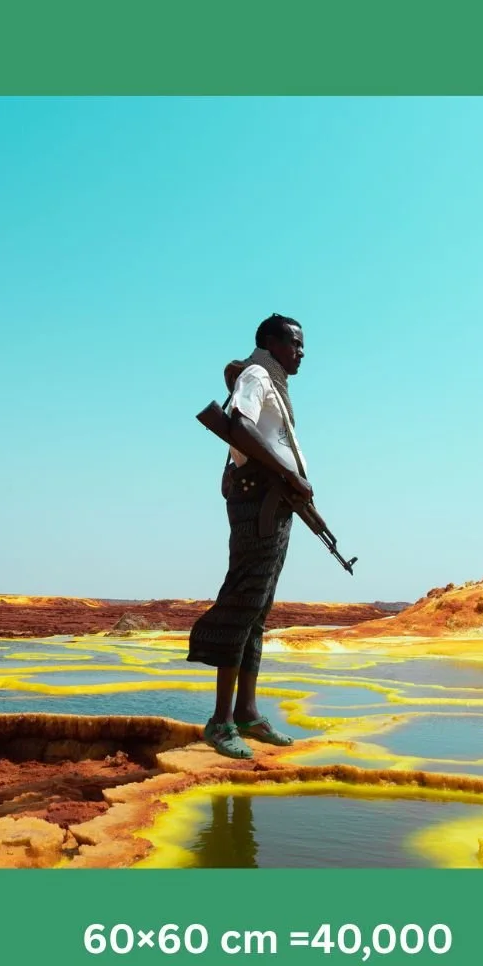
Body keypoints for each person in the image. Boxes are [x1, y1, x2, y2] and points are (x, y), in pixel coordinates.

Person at [186, 314, 312, 758]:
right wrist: (286, 475)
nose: (301, 352)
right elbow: (238, 426)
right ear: (270, 343)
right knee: (243, 602)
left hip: (274, 503)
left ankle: (247, 713)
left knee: (258, 608)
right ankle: (220, 721)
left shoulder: (275, 382)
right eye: (295, 343)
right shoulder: (257, 375)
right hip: (257, 500)